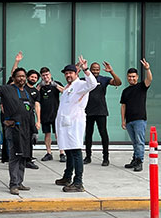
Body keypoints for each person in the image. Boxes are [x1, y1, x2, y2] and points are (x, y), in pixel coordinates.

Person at [54, 56, 98, 192]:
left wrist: (85, 69)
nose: (68, 75)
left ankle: (78, 182)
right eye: (66, 73)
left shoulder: (80, 84)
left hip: (75, 124)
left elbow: (93, 84)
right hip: (65, 124)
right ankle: (67, 176)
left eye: (70, 73)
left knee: (76, 151)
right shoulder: (69, 88)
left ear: (76, 73)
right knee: (68, 151)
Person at [0, 60, 34, 195]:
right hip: (13, 129)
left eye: (23, 76)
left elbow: (30, 112)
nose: (21, 78)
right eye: (19, 76)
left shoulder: (27, 92)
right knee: (15, 156)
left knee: (23, 156)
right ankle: (13, 184)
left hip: (26, 130)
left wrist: (34, 131)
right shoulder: (7, 89)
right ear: (14, 78)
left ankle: (20, 182)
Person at [84, 61, 122, 166]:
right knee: (88, 135)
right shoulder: (85, 79)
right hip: (88, 111)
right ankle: (88, 156)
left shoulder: (104, 79)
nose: (95, 71)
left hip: (101, 111)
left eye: (97, 69)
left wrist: (111, 72)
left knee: (103, 134)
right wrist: (79, 69)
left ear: (99, 70)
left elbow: (118, 83)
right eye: (93, 69)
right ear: (90, 70)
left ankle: (106, 158)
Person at [120, 59, 153, 172]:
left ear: (137, 77)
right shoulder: (125, 91)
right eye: (129, 76)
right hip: (129, 120)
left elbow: (149, 79)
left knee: (139, 141)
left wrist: (147, 69)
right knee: (135, 142)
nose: (131, 78)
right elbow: (123, 106)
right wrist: (123, 120)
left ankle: (139, 161)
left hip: (140, 119)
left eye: (133, 76)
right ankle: (135, 159)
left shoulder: (142, 87)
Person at [38, 67, 63, 161]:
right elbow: (34, 95)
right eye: (43, 75)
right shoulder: (40, 86)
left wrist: (55, 85)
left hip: (56, 113)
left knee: (58, 134)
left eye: (47, 75)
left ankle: (62, 153)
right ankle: (49, 152)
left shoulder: (56, 84)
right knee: (47, 134)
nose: (45, 77)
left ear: (50, 74)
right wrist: (40, 86)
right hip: (45, 114)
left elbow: (65, 91)